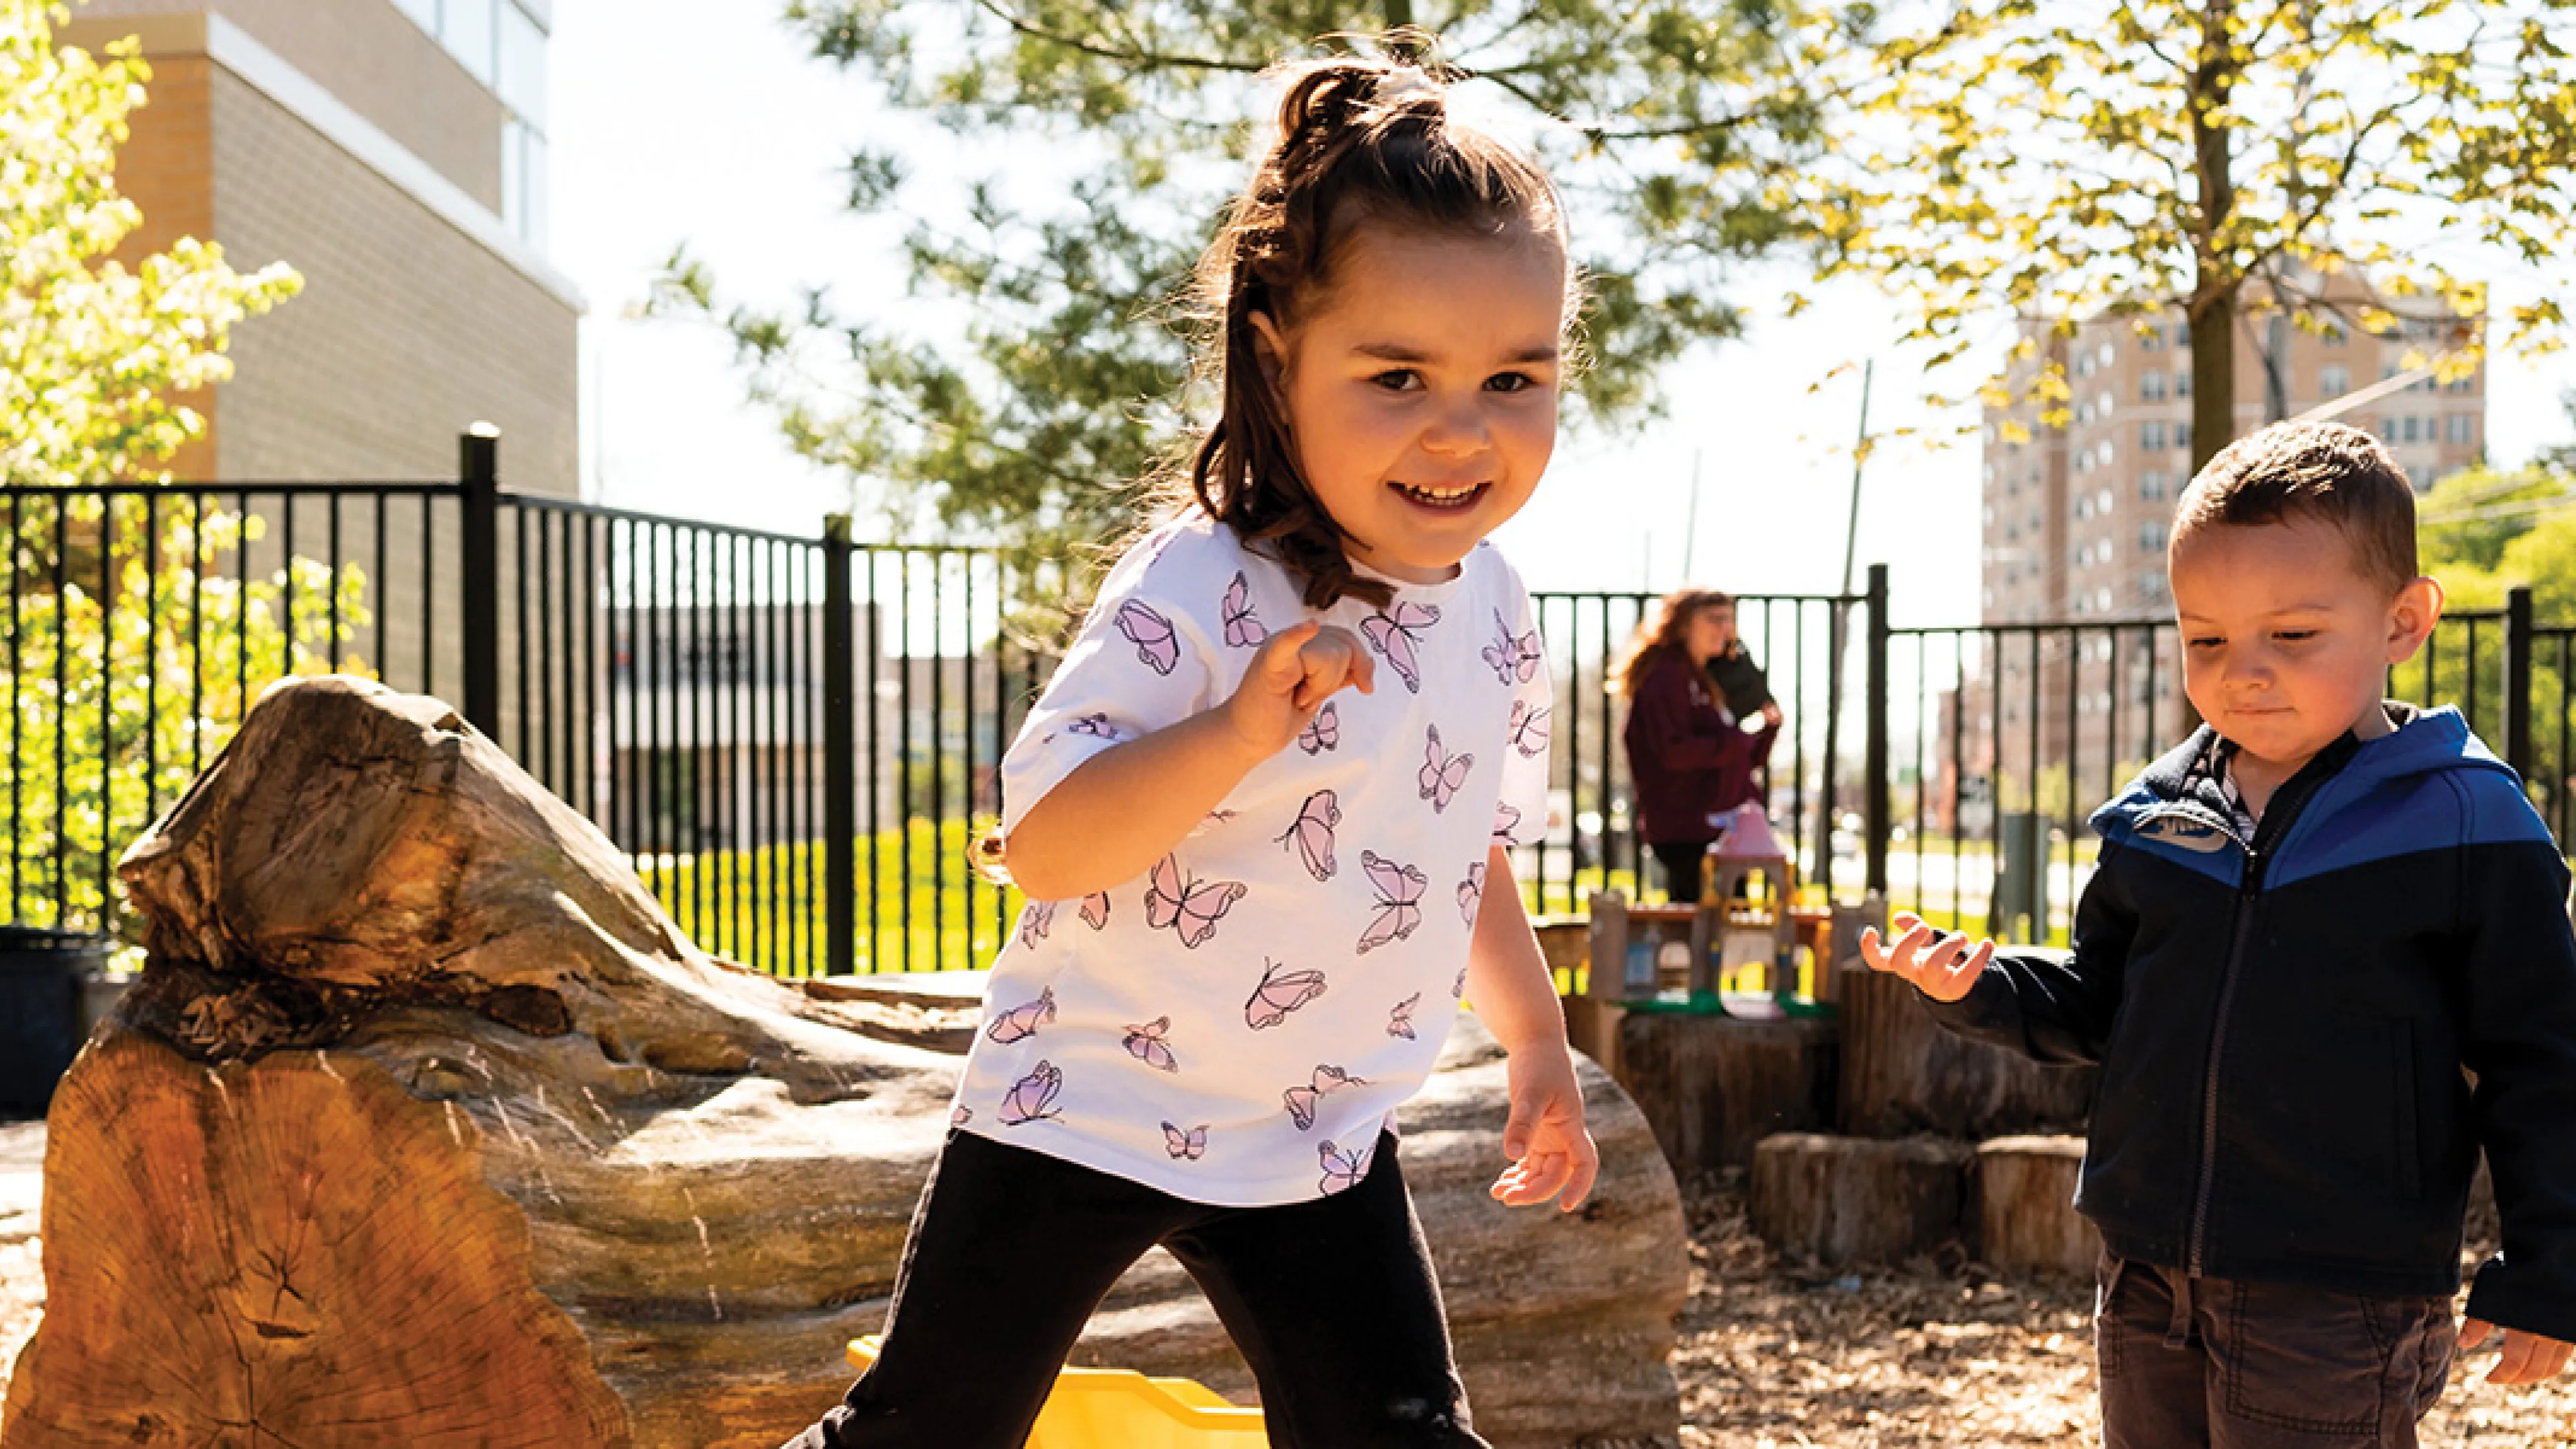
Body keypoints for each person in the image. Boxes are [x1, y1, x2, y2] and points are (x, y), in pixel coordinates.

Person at [779, 54, 1598, 1449]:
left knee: (1405, 1435)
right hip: (1082, 1102)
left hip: (1316, 1136)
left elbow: (1469, 848)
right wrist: (1234, 733)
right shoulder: (1209, 586)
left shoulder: (1498, 606)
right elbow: (1046, 847)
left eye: (1514, 377)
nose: (1464, 431)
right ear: (1277, 356)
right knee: (930, 1428)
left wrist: (1537, 1043)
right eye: (1399, 375)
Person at [1861, 420, 2576, 1448]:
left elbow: (2544, 1062)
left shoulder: (2468, 822)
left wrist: (2553, 1267)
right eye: (2207, 639)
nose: (2243, 672)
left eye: (2291, 636)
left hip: (2337, 1298)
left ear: (2405, 621)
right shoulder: (2157, 820)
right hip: (2147, 1272)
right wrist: (1974, 987)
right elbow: (2102, 1005)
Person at [1616, 588, 1781, 902]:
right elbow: (1674, 751)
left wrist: (1765, 732)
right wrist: (1735, 742)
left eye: (1730, 620)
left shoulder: (1709, 678)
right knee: (1702, 924)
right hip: (1688, 826)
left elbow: (1739, 759)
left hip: (1720, 824)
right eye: (1714, 619)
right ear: (1682, 625)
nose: (1725, 629)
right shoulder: (1666, 677)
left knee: (1726, 918)